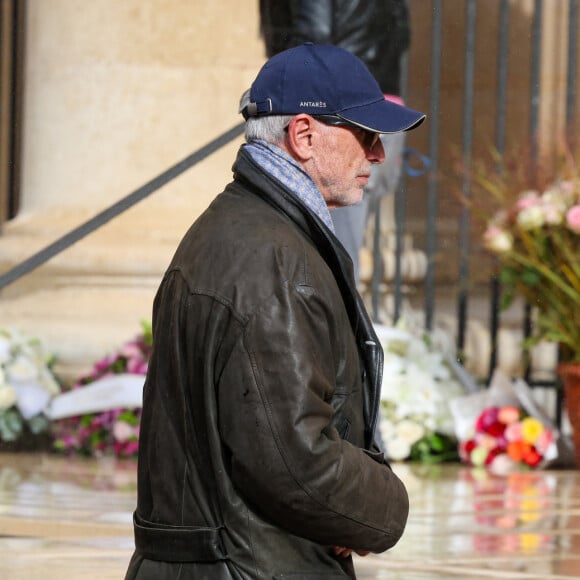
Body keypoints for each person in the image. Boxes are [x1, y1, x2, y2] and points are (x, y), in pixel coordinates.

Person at [125, 43, 424, 580]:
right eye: (365, 133)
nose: (378, 154)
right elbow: (295, 462)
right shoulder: (273, 259)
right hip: (246, 567)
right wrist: (385, 508)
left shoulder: (242, 227)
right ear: (304, 136)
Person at [259, 0, 413, 284]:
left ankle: (332, 321)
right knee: (338, 248)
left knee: (331, 254)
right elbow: (400, 33)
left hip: (341, 111)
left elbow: (312, 40)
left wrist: (285, 100)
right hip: (379, 99)